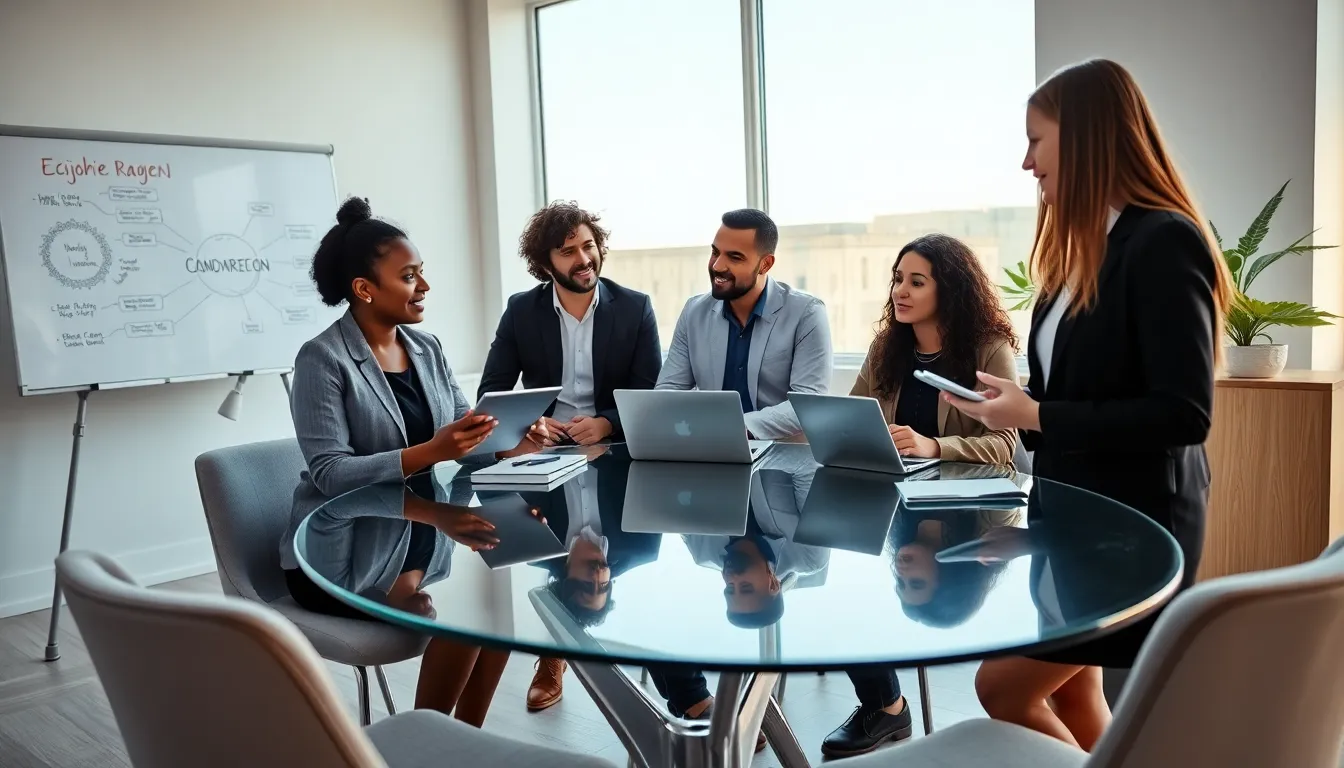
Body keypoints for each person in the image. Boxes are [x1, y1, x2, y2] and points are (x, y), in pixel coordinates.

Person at [944, 58, 1234, 750]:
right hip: (1072, 520)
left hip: (1133, 531)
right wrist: (1015, 409)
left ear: (1086, 138)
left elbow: (1183, 414)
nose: (1024, 162)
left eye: (1036, 141)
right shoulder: (1078, 255)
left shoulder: (1164, 242)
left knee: (1000, 686)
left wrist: (1035, 416)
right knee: (1075, 689)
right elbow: (1075, 396)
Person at [282, 196, 547, 728]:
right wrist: (431, 453)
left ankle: (462, 741)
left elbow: (462, 428)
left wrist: (511, 440)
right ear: (365, 288)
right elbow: (330, 473)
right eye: (409, 276)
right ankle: (427, 743)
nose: (424, 287)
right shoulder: (322, 359)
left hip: (420, 527)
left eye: (422, 273)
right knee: (469, 620)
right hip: (342, 556)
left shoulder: (426, 347)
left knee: (502, 608)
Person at [823, 236, 1020, 757]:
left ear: (948, 288)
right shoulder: (888, 347)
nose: (900, 292)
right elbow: (851, 420)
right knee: (839, 592)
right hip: (888, 504)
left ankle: (883, 709)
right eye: (897, 279)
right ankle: (885, 705)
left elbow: (1006, 442)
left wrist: (934, 444)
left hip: (967, 508)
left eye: (916, 281)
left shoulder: (987, 349)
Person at [480, 201, 662, 446]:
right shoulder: (521, 311)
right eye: (568, 252)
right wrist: (532, 422)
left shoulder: (635, 308)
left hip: (614, 446)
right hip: (543, 449)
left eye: (588, 246)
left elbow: (648, 394)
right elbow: (491, 393)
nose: (584, 259)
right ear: (546, 265)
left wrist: (606, 424)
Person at [656, 208, 832, 439]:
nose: (717, 266)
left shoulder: (806, 313)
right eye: (715, 253)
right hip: (711, 450)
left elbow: (808, 403)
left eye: (735, 257)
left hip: (782, 456)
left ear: (765, 264)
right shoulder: (694, 312)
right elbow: (668, 392)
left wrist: (730, 427)